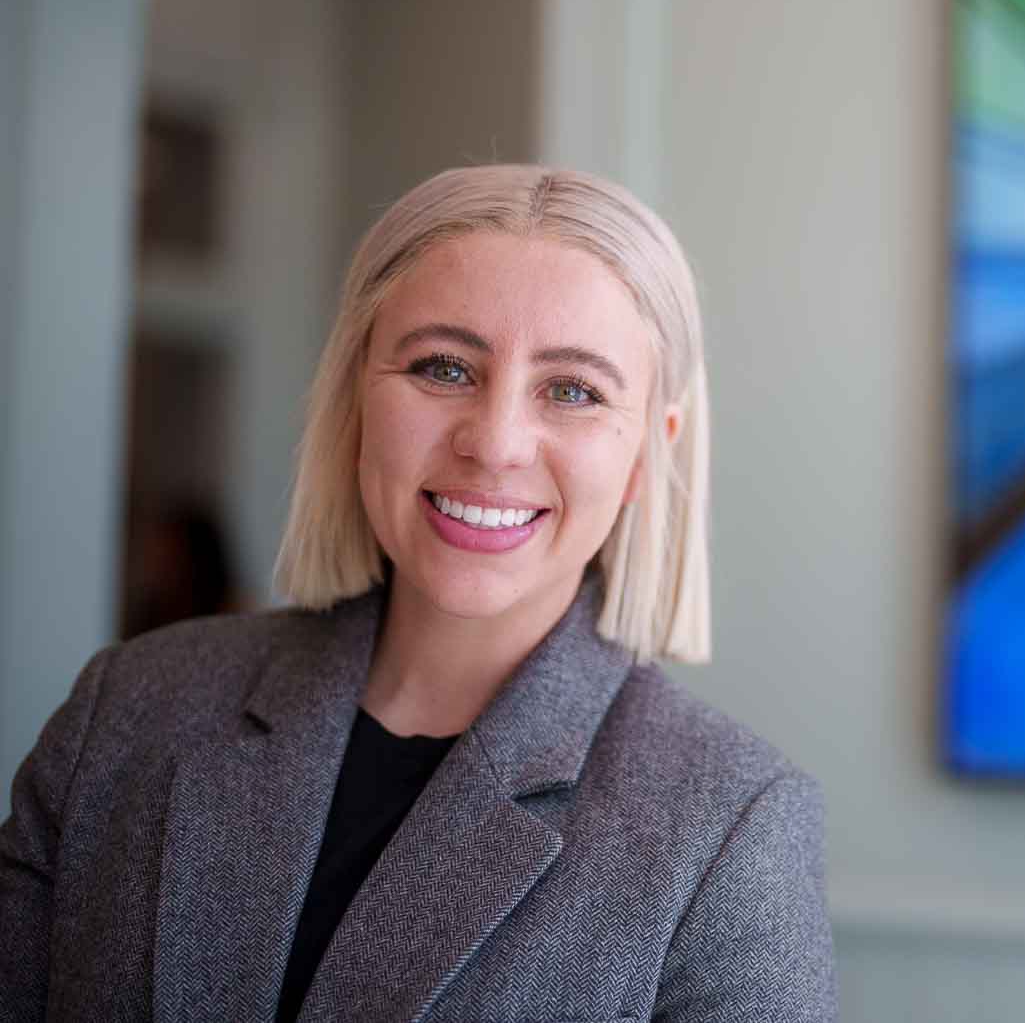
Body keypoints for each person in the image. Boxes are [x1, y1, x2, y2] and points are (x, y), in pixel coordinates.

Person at [0, 166, 836, 1022]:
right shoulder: (128, 711)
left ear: (644, 455)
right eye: (444, 367)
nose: (496, 443)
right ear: (358, 389)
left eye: (574, 390)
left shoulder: (734, 828)